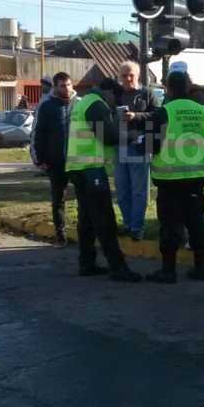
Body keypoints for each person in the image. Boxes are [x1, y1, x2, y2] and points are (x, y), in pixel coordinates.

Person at [145, 62, 204, 283]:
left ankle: (168, 271)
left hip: (170, 179)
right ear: (188, 86)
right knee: (196, 223)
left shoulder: (163, 112)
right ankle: (200, 268)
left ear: (168, 89)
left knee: (169, 226)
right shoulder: (203, 110)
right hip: (198, 177)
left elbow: (150, 145)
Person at [65, 77, 142, 282]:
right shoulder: (96, 105)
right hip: (91, 169)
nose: (115, 104)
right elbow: (107, 137)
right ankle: (118, 267)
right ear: (108, 93)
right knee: (105, 220)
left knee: (87, 220)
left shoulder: (83, 102)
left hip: (78, 167)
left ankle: (87, 263)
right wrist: (131, 136)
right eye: (115, 99)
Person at [115, 60, 161, 241]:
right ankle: (128, 224)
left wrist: (136, 116)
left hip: (140, 146)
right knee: (122, 190)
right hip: (120, 146)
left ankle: (136, 227)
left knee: (139, 190)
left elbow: (158, 115)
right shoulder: (117, 94)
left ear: (138, 75)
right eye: (124, 75)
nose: (128, 79)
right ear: (119, 77)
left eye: (131, 75)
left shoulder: (147, 93)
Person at [33, 72, 75, 247]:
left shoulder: (79, 104)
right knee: (58, 199)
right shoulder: (47, 107)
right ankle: (60, 235)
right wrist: (40, 159)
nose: (66, 88)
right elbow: (39, 134)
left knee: (84, 198)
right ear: (55, 88)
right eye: (62, 86)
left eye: (69, 85)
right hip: (55, 161)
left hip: (78, 161)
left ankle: (85, 232)